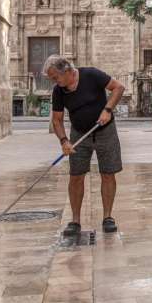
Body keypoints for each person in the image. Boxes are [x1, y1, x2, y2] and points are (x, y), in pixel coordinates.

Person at [44, 55, 125, 236]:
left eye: (55, 77)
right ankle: (75, 221)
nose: (54, 82)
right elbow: (57, 120)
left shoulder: (91, 75)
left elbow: (119, 88)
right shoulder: (59, 91)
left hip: (105, 131)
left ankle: (108, 217)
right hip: (79, 134)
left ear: (67, 71)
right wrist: (64, 141)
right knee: (76, 176)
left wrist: (108, 110)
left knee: (108, 173)